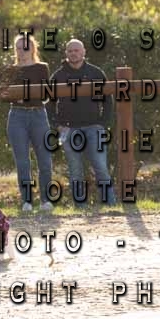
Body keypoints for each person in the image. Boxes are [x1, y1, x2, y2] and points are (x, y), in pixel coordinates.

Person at [0, 35, 55, 213]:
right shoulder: (10, 70)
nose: (21, 51)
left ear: (32, 48)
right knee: (23, 162)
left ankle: (46, 200)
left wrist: (26, 95)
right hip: (17, 116)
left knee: (45, 160)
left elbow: (46, 93)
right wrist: (12, 96)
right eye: (18, 48)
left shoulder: (42, 68)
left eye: (25, 48)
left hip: (38, 114)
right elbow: (3, 96)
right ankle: (27, 201)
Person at [50, 39, 117, 207]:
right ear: (66, 53)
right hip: (68, 129)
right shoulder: (58, 76)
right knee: (75, 169)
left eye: (77, 50)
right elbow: (48, 105)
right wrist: (57, 125)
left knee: (101, 166)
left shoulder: (96, 73)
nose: (73, 53)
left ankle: (110, 205)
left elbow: (108, 100)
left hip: (94, 127)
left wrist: (103, 123)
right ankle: (81, 207)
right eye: (70, 51)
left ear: (84, 52)